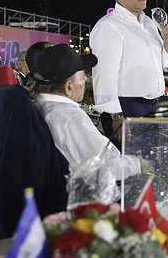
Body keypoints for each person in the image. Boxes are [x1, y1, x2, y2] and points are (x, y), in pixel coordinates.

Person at [90, 0, 168, 144]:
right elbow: (104, 77)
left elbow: (165, 64)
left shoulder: (149, 23)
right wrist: (116, 117)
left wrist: (167, 42)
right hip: (126, 108)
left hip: (151, 107)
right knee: (130, 166)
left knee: (148, 165)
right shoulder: (109, 26)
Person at [29, 44, 143, 178]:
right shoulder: (70, 118)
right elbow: (107, 167)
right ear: (69, 87)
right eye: (82, 75)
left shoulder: (37, 106)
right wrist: (139, 164)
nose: (85, 79)